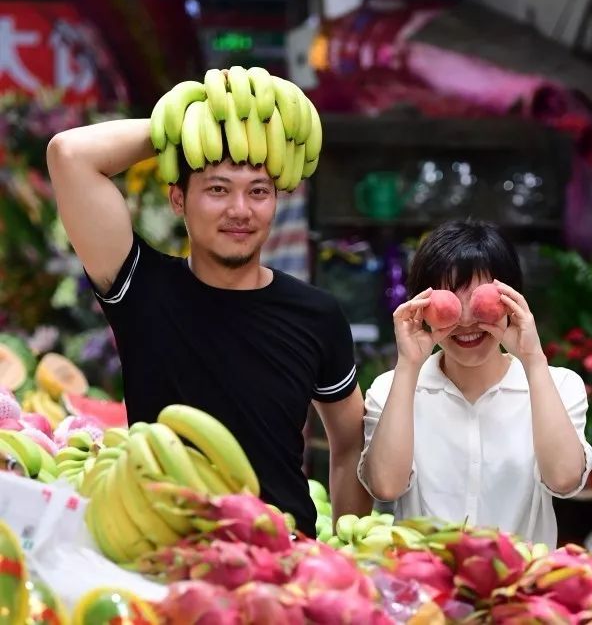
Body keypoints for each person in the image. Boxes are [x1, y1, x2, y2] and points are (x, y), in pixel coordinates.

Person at [46, 114, 372, 537]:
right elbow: (69, 154)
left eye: (259, 192)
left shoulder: (317, 314)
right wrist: (197, 119)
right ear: (178, 199)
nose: (240, 210)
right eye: (218, 189)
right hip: (166, 550)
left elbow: (349, 443)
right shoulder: (140, 285)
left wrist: (350, 547)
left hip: (288, 557)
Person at [358, 220, 592, 548]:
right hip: (425, 589)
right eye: (451, 302)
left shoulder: (557, 385)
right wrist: (408, 365)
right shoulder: (391, 389)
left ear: (513, 299)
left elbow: (565, 480)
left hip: (521, 590)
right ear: (421, 306)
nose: (467, 320)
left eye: (480, 299)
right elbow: (385, 486)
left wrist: (533, 359)